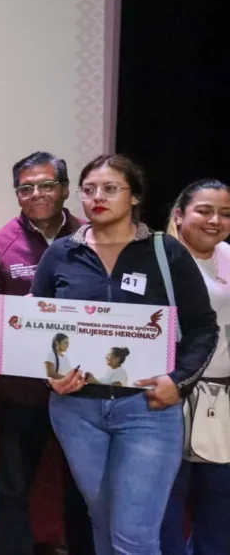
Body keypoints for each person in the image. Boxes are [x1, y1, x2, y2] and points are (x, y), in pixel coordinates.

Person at [31, 154, 218, 555]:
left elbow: (204, 328)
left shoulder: (166, 252)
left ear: (134, 198)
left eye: (111, 189)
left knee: (133, 535)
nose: (98, 197)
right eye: (89, 189)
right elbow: (35, 326)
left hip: (147, 409)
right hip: (76, 411)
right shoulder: (61, 254)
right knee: (105, 521)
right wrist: (49, 373)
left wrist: (179, 380)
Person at [0, 151, 93, 555]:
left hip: (85, 390)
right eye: (26, 188)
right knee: (11, 485)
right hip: (23, 392)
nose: (37, 194)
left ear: (64, 189)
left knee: (84, 487)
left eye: (46, 185)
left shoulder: (93, 236)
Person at [160, 179, 230, 555]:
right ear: (179, 215)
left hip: (223, 402)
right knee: (166, 503)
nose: (215, 221)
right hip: (169, 399)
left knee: (220, 504)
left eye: (225, 213)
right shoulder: (157, 260)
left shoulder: (229, 257)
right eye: (204, 210)